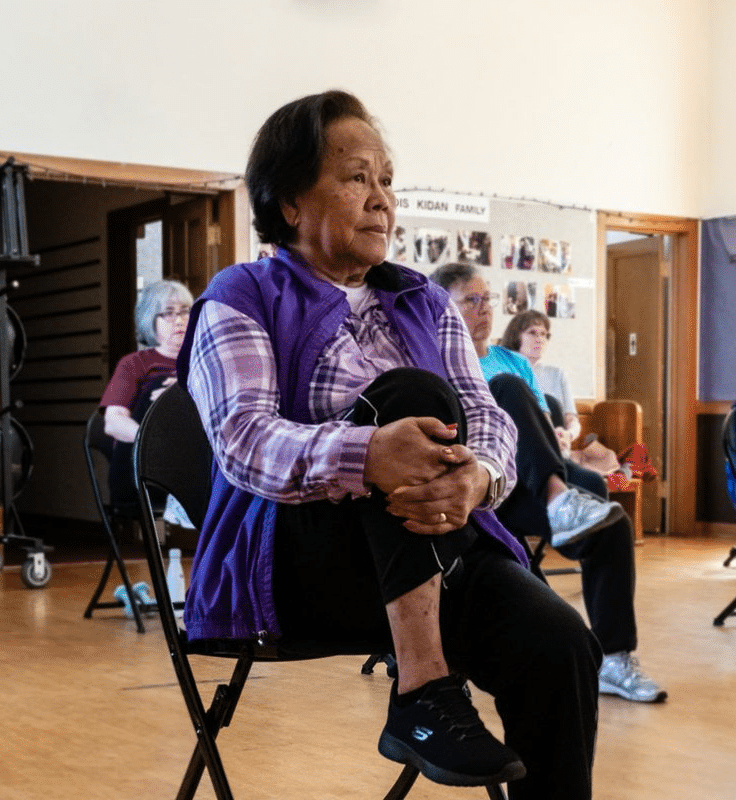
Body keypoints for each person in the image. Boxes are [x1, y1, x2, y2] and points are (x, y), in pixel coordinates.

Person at [179, 90, 599, 798]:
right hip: (294, 565)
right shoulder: (241, 293)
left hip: (437, 545)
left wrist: (480, 478)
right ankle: (423, 688)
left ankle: (428, 689)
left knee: (559, 644)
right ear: (287, 201)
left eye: (386, 181)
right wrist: (365, 453)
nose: (380, 200)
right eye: (355, 178)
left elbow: (484, 412)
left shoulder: (423, 301)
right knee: (410, 400)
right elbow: (243, 441)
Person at [430, 262, 668, 703]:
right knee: (505, 390)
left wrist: (559, 437)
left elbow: (539, 425)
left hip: (528, 474)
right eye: (472, 300)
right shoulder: (435, 361)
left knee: (610, 517)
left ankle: (614, 660)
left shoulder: (513, 361)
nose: (485, 310)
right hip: (478, 484)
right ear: (441, 308)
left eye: (489, 299)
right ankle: (560, 512)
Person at [99, 279, 194, 525]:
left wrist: (188, 389)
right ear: (151, 320)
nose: (180, 320)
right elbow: (113, 423)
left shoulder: (203, 361)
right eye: (169, 313)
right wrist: (158, 441)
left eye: (185, 311)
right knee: (159, 389)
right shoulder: (135, 364)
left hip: (195, 466)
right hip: (144, 471)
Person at [500, 309, 581, 452]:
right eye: (532, 333)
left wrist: (568, 435)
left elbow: (572, 420)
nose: (540, 339)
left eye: (543, 334)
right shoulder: (503, 376)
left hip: (557, 451)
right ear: (515, 337)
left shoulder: (557, 374)